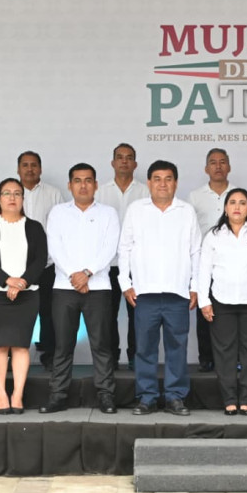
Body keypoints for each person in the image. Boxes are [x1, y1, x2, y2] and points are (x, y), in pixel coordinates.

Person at [118, 160, 201, 416]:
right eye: (157, 178)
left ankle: (176, 397)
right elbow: (124, 248)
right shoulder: (136, 209)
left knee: (177, 347)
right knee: (144, 348)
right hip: (144, 292)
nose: (162, 184)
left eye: (168, 179)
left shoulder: (186, 211)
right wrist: (125, 284)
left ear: (176, 183)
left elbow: (196, 251)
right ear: (149, 183)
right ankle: (147, 397)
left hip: (178, 292)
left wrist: (195, 286)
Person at [41, 164, 120, 415]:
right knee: (62, 345)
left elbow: (110, 248)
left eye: (88, 180)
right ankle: (58, 395)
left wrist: (87, 273)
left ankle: (106, 395)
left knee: (102, 345)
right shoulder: (58, 212)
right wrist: (74, 275)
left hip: (99, 288)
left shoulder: (108, 213)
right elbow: (55, 247)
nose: (83, 185)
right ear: (69, 185)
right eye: (77, 180)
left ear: (96, 185)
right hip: (64, 288)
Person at [198, 188, 247, 416]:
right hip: (221, 300)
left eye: (242, 203)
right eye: (232, 202)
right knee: (225, 353)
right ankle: (230, 400)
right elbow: (204, 270)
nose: (237, 207)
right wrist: (204, 300)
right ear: (225, 208)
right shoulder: (213, 236)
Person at [0, 178, 48, 414]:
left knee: (20, 346)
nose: (12, 198)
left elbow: (40, 259)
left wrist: (22, 282)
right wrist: (7, 280)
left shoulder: (35, 228)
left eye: (17, 193)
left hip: (27, 295)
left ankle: (17, 394)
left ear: (23, 199)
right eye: (6, 193)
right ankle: (1, 394)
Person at [0, 151, 65, 371]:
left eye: (34, 165)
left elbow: (62, 229)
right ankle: (10, 355)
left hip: (45, 264)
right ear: (18, 169)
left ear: (40, 169)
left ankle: (49, 355)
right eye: (25, 165)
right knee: (12, 312)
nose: (29, 169)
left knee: (48, 312)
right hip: (12, 269)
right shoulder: (8, 193)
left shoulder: (53, 194)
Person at [96, 143, 150, 371]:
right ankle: (110, 357)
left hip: (136, 264)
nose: (124, 161)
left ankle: (136, 357)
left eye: (129, 158)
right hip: (107, 264)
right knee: (107, 315)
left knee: (137, 314)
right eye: (120, 157)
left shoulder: (145, 192)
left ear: (135, 164)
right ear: (113, 162)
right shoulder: (100, 192)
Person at [188, 148, 235, 373]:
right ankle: (206, 358)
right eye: (213, 162)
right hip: (204, 262)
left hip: (233, 262)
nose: (218, 166)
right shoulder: (195, 196)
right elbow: (190, 232)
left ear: (229, 167)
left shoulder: (238, 194)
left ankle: (231, 358)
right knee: (204, 310)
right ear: (206, 168)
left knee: (231, 311)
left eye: (222, 162)